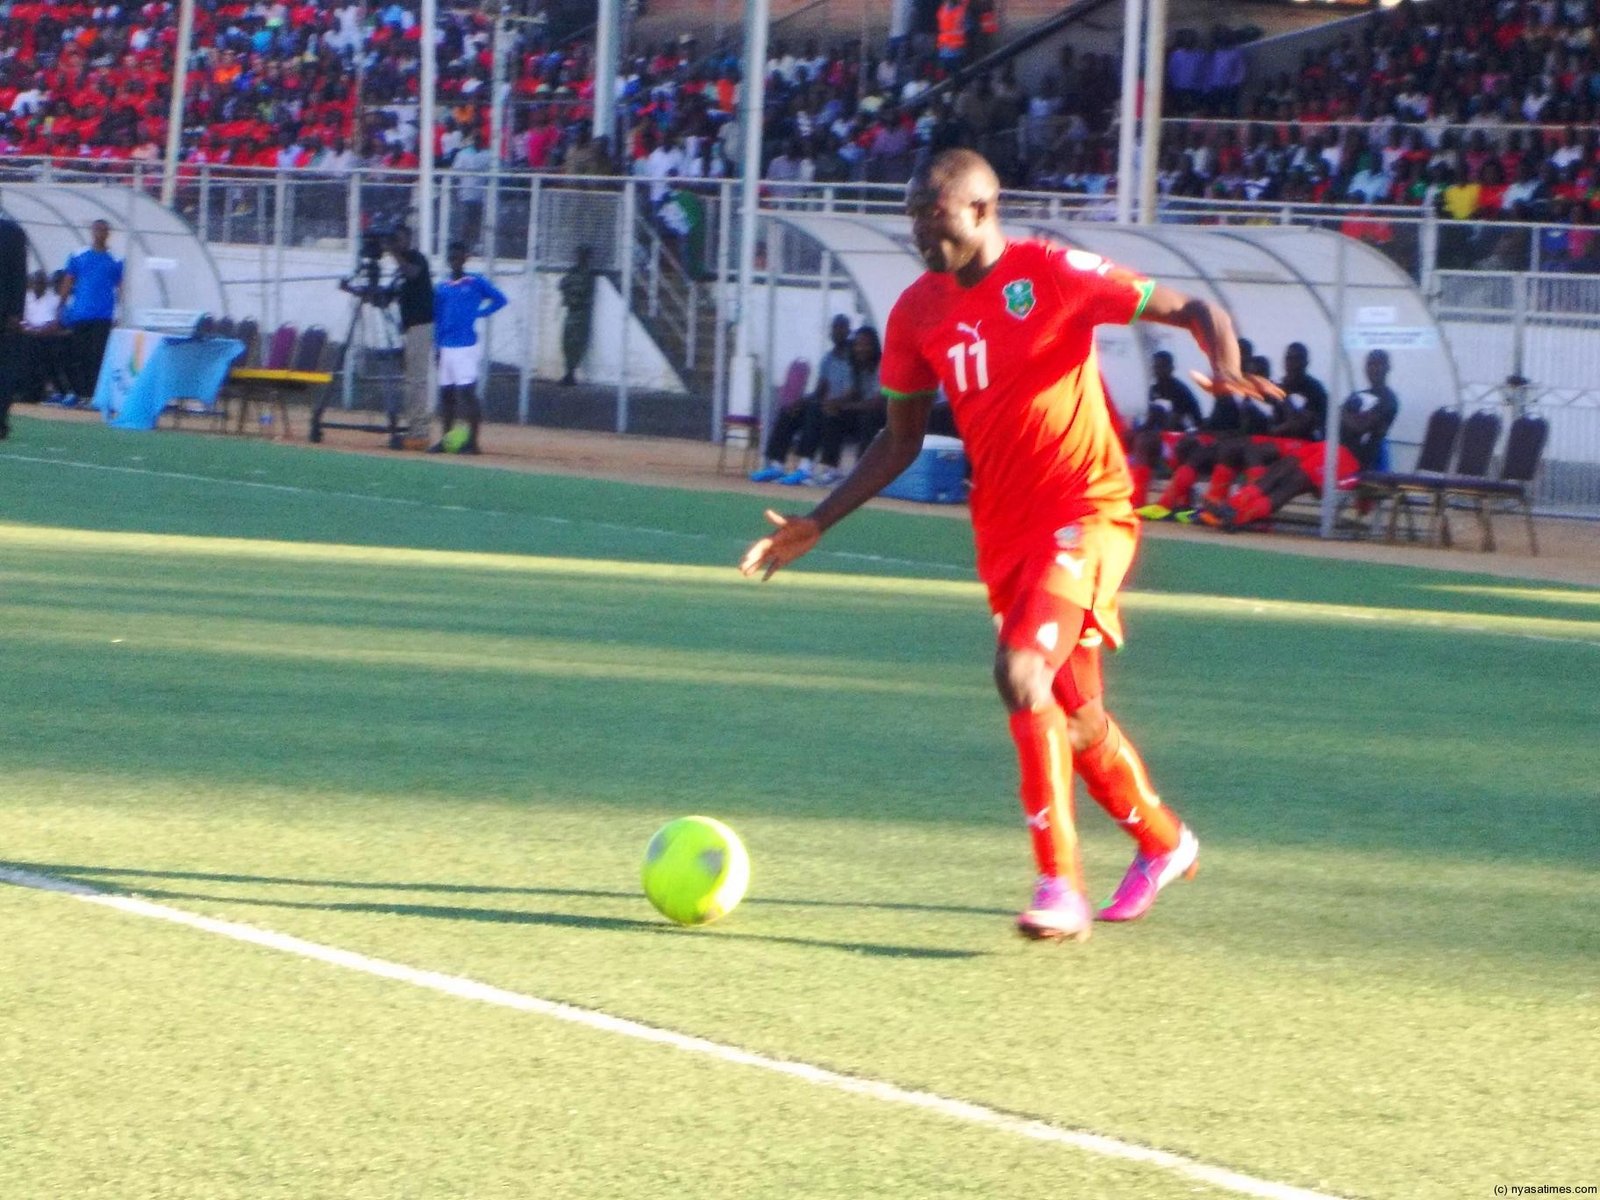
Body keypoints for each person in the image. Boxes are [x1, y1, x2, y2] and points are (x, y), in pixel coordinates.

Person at [740, 149, 1282, 941]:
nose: (921, 225)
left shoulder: (1054, 273)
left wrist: (1226, 365)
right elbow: (897, 442)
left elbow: (1192, 309)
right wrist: (817, 521)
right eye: (913, 212)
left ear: (982, 209)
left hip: (1085, 511)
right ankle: (1166, 843)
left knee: (1022, 670)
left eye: (935, 209)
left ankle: (1058, 882)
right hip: (1004, 530)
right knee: (1077, 712)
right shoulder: (915, 313)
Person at [1201, 349, 1399, 531]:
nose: (1374, 368)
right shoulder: (1359, 395)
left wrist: (1343, 412)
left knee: (1295, 479)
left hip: (1353, 460)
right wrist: (1345, 414)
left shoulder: (1389, 400)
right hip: (1332, 446)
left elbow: (1360, 426)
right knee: (1283, 467)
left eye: (1379, 364)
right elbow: (1337, 421)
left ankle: (1241, 517)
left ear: (1388, 368)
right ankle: (1233, 505)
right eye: (1371, 364)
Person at [749, 314, 855, 486]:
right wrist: (800, 402)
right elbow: (820, 390)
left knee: (816, 410)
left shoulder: (854, 359)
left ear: (848, 331)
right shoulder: (828, 359)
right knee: (790, 411)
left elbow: (853, 391)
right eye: (834, 328)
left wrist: (832, 402)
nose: (837, 332)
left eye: (841, 328)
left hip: (845, 408)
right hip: (827, 404)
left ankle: (805, 467)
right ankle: (777, 464)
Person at [430, 241, 508, 456]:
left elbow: (500, 299)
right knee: (447, 394)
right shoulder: (443, 287)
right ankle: (446, 440)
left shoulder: (475, 282)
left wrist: (481, 313)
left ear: (465, 258)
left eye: (458, 256)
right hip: (446, 346)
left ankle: (473, 442)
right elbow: (437, 317)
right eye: (451, 257)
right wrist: (437, 346)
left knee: (467, 393)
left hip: (465, 346)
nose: (455, 261)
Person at [1125, 349, 1205, 508]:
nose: (1157, 370)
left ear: (1170, 368)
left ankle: (1147, 497)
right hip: (1161, 434)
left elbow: (1180, 421)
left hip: (1181, 434)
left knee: (1145, 442)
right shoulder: (1154, 389)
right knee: (1134, 438)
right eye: (1155, 367)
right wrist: (1135, 432)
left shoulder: (1179, 390)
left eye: (1161, 367)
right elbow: (1152, 419)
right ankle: (1134, 493)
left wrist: (1152, 433)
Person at [383, 226, 435, 451]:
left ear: (408, 240)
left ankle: (419, 432)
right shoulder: (400, 270)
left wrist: (393, 253)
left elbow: (413, 273)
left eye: (399, 240)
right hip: (409, 329)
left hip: (421, 326)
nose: (396, 244)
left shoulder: (417, 259)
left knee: (416, 380)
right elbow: (387, 297)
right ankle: (414, 427)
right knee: (411, 379)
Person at [61, 219, 123, 406]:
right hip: (80, 313)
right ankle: (77, 391)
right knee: (77, 354)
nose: (100, 234)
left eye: (104, 230)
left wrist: (119, 312)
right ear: (92, 232)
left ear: (108, 233)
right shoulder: (79, 255)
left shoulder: (116, 259)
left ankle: (93, 394)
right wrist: (61, 305)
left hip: (103, 315)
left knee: (96, 355)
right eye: (97, 230)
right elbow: (68, 280)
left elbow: (121, 286)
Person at [557, 246, 597, 386]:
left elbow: (578, 290)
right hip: (573, 311)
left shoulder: (587, 274)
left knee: (575, 343)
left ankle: (570, 373)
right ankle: (569, 373)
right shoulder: (574, 271)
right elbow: (562, 284)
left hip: (580, 312)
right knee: (567, 342)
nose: (578, 257)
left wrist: (570, 290)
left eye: (581, 255)